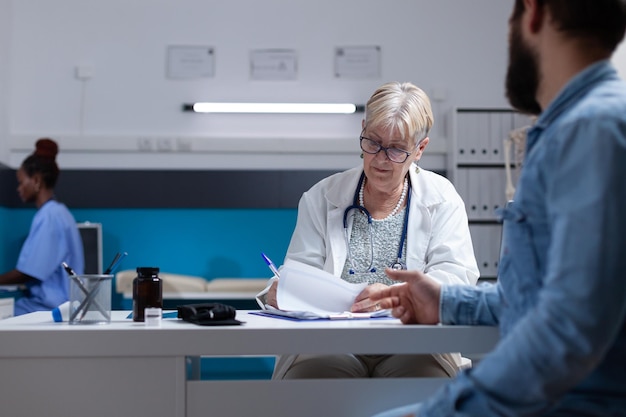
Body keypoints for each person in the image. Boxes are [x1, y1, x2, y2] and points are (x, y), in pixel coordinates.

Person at [370, 0, 626, 416]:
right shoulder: (572, 127)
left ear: (533, 12)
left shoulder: (591, 129)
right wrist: (447, 303)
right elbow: (543, 302)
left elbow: (568, 330)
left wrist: (446, 407)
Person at [256, 81, 479, 379]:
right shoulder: (322, 197)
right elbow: (301, 273)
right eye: (373, 142)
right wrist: (283, 290)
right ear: (362, 129)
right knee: (315, 381)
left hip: (413, 343)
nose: (381, 159)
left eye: (397, 149)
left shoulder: (442, 199)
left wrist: (395, 296)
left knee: (424, 383)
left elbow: (456, 279)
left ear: (420, 149)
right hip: (329, 342)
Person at [0, 138, 84, 316]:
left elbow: (29, 272)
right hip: (65, 304)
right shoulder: (61, 213)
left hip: (49, 308)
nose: (18, 189)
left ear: (36, 180)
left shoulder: (50, 216)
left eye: (22, 182)